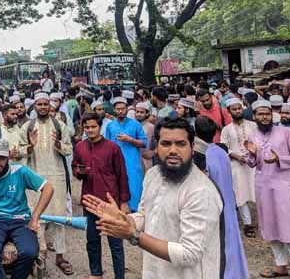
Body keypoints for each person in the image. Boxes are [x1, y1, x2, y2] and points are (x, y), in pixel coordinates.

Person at [83, 117, 224, 279]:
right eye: (165, 144)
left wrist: (133, 235)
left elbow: (190, 254)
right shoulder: (153, 175)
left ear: (192, 148)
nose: (173, 150)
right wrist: (125, 220)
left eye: (180, 144)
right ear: (156, 147)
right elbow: (145, 215)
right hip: (154, 271)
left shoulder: (200, 191)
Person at [0, 138, 54, 279]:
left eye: (1, 158)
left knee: (30, 252)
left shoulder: (20, 171)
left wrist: (35, 217)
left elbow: (48, 188)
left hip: (20, 220)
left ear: (8, 155)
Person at [245, 100, 290, 279]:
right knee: (271, 227)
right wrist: (251, 154)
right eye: (260, 114)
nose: (264, 117)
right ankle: (280, 266)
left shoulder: (286, 133)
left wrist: (279, 158)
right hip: (264, 188)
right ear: (254, 116)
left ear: (271, 115)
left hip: (284, 188)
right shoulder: (252, 135)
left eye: (266, 113)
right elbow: (251, 163)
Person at [19, 92, 74, 275]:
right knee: (38, 217)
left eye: (45, 104)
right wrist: (30, 145)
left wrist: (59, 144)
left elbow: (68, 149)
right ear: (34, 106)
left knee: (59, 216)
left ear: (50, 106)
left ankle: (60, 256)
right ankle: (39, 256)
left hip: (57, 176)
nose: (42, 107)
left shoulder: (60, 125)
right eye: (39, 104)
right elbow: (18, 151)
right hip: (35, 177)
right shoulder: (27, 126)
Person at [72, 112, 129, 279]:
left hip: (111, 202)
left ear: (100, 127)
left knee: (115, 243)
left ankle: (120, 276)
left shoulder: (113, 148)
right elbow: (75, 168)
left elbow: (122, 175)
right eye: (87, 127)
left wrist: (124, 202)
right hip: (90, 201)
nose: (90, 130)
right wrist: (80, 172)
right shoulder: (80, 147)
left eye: (93, 127)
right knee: (92, 241)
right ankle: (96, 274)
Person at [195, 116, 249, 279]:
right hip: (229, 204)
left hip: (216, 206)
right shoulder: (221, 152)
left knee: (219, 244)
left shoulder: (203, 155)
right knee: (231, 241)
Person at [220, 98, 257, 238]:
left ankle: (266, 221)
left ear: (242, 109)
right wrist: (236, 156)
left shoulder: (253, 126)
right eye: (234, 109)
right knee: (240, 193)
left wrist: (255, 153)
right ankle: (248, 224)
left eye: (239, 108)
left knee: (258, 191)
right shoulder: (226, 130)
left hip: (254, 163)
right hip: (236, 165)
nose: (237, 111)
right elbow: (224, 147)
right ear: (229, 112)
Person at [105, 97, 147, 211]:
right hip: (115, 164)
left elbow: (144, 143)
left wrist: (130, 139)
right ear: (114, 110)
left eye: (123, 109)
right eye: (118, 109)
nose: (120, 111)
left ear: (127, 109)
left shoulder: (135, 125)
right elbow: (106, 145)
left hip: (132, 165)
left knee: (134, 190)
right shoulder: (110, 126)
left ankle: (135, 216)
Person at [134, 102, 155, 172]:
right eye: (137, 112)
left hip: (146, 160)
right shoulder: (131, 125)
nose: (139, 114)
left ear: (147, 114)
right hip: (133, 160)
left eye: (142, 112)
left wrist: (154, 152)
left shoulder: (151, 127)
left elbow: (159, 141)